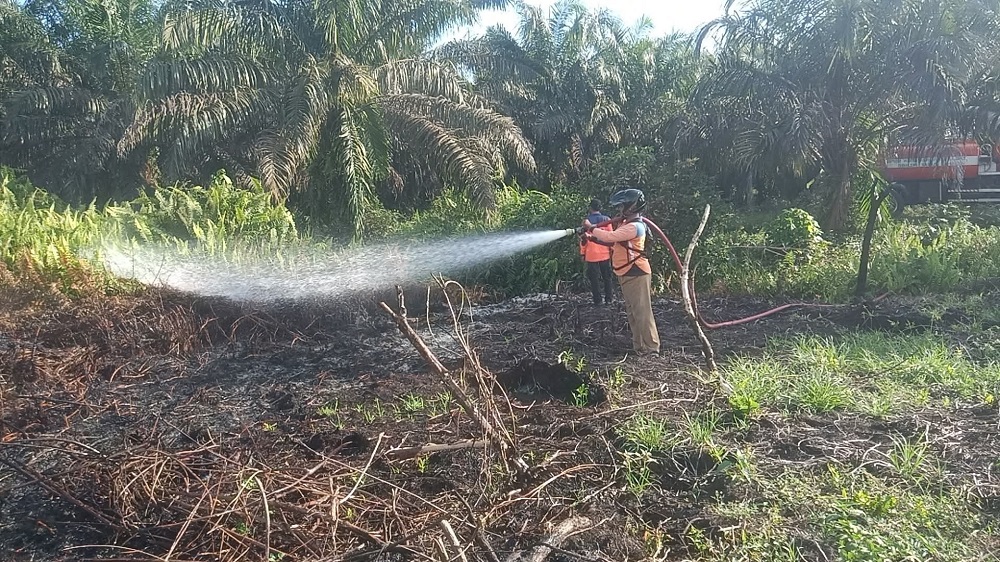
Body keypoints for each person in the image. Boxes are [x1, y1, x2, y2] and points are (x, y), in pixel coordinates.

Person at [583, 188, 660, 355]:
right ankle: (639, 347)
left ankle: (652, 348)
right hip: (627, 273)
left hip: (637, 273)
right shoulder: (626, 224)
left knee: (642, 312)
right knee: (633, 313)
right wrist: (593, 238)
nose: (620, 210)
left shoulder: (635, 227)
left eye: (622, 206)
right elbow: (615, 244)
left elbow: (610, 237)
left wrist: (591, 227)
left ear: (631, 207)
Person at [578, 198, 614, 305]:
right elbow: (610, 237)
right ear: (600, 208)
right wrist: (612, 251)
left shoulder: (586, 222)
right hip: (605, 254)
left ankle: (597, 301)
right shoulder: (607, 220)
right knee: (607, 277)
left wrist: (582, 253)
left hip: (591, 254)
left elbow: (583, 240)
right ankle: (609, 299)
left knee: (594, 279)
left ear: (590, 208)